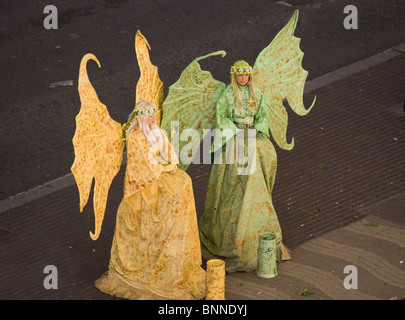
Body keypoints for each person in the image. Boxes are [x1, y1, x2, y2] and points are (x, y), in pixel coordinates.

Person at [95, 100, 206, 300]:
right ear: (140, 118)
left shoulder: (157, 132)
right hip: (145, 186)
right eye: (149, 115)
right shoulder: (136, 137)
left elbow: (169, 152)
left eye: (154, 113)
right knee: (175, 193)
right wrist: (164, 167)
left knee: (185, 182)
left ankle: (175, 251)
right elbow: (145, 167)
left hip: (162, 174)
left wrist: (171, 164)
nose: (153, 117)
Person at [199, 60, 291, 273]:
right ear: (234, 76)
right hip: (235, 138)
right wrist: (238, 132)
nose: (243, 79)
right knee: (237, 179)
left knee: (268, 154)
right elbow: (222, 119)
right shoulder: (228, 96)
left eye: (246, 75)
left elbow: (263, 116)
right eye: (239, 75)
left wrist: (256, 130)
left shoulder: (256, 93)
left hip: (253, 136)